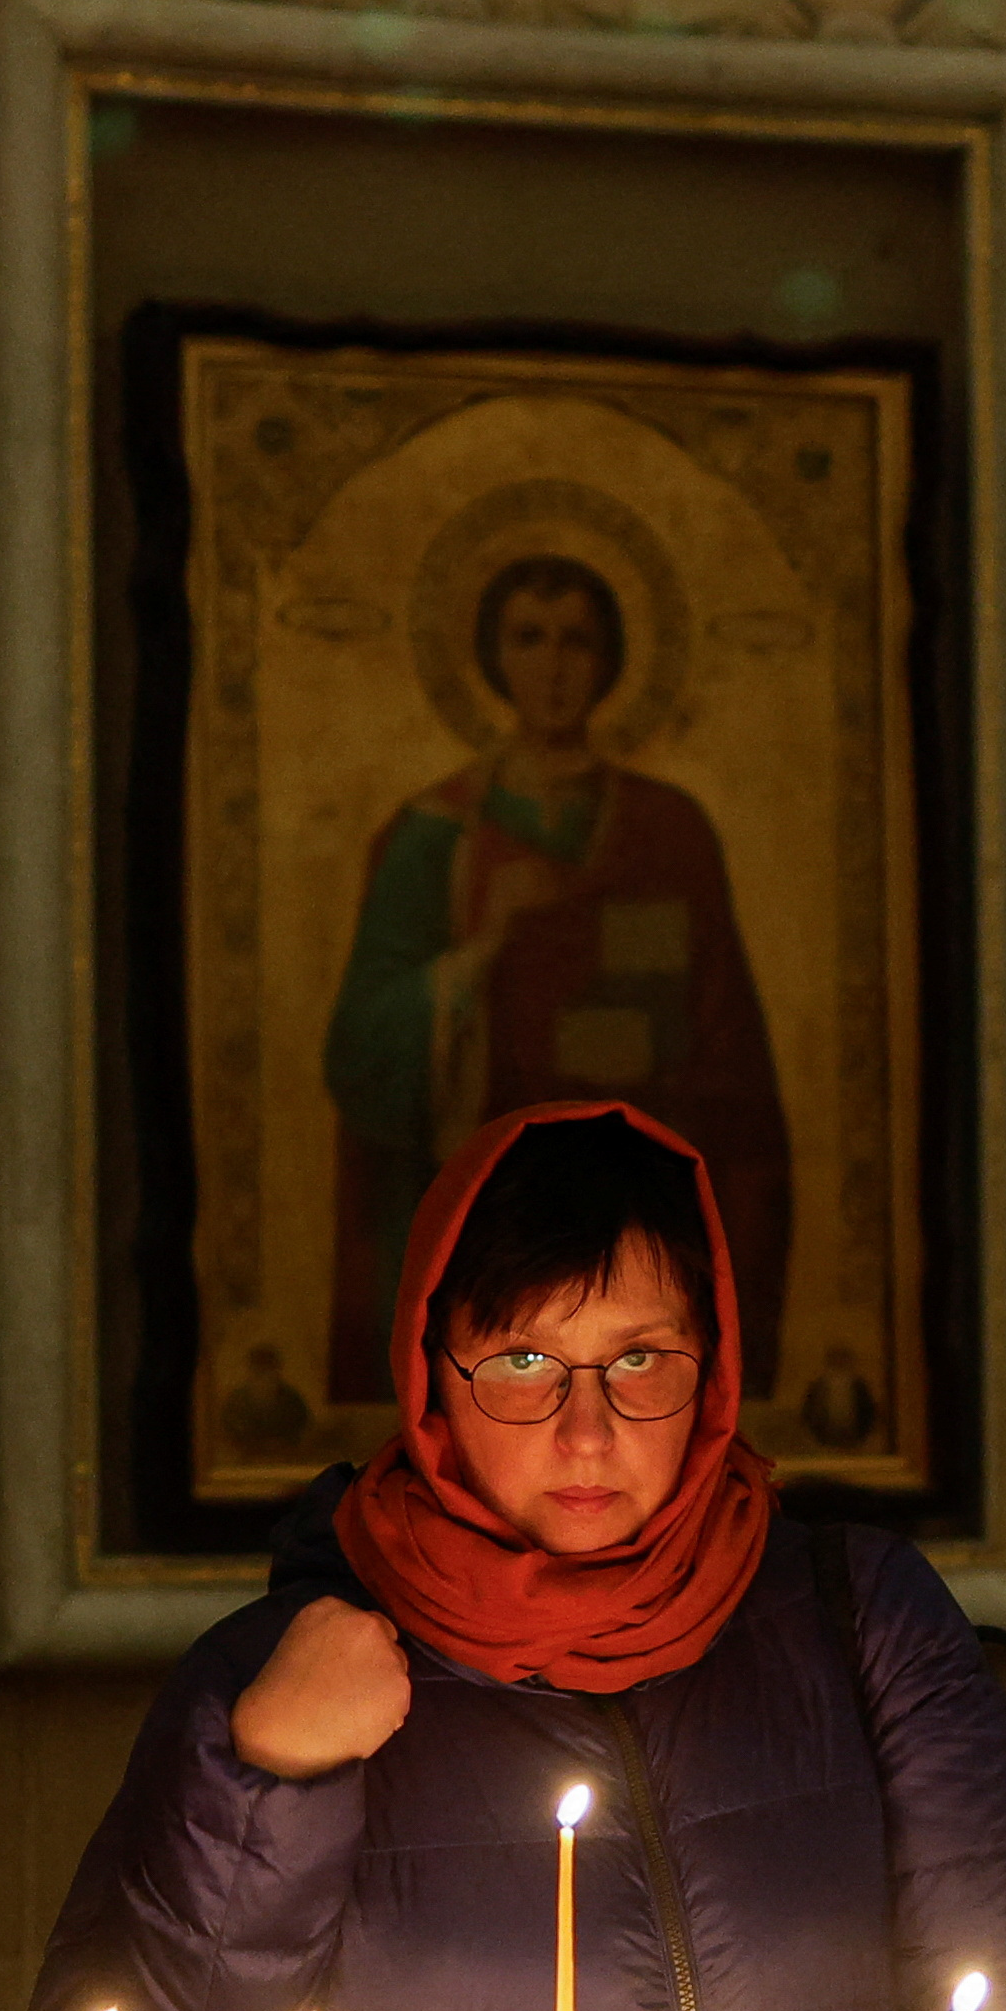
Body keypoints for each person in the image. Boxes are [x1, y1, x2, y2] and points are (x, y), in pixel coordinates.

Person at [22, 1100, 1006, 2011]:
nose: (587, 1430)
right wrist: (269, 1789)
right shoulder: (278, 1680)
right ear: (431, 1376)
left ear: (713, 1368)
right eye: (522, 1362)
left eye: (641, 1358)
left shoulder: (862, 1622)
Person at [321, 556, 793, 1405]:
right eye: (528, 638)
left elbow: (731, 1055)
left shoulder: (669, 830)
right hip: (492, 1229)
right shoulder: (434, 836)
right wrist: (480, 955)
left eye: (576, 639)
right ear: (491, 657)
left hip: (641, 1222)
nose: (553, 664)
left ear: (611, 659)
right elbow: (359, 1050)